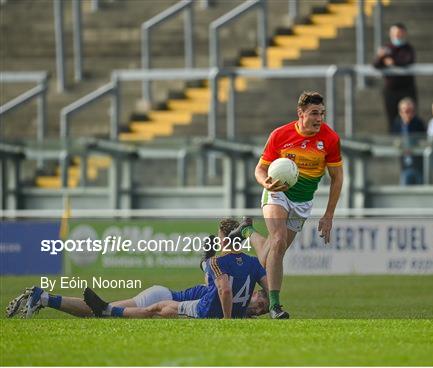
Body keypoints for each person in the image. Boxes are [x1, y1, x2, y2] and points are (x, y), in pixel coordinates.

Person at [6, 220, 269, 319]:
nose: (258, 306)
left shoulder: (219, 268)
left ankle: (43, 298)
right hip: (161, 296)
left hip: (169, 297)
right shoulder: (226, 268)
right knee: (97, 312)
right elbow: (220, 287)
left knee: (99, 312)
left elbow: (217, 284)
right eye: (260, 303)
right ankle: (42, 297)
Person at [230, 91, 343, 319]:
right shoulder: (280, 135)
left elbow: (337, 178)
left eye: (322, 113)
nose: (319, 118)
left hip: (303, 203)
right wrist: (266, 183)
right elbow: (260, 169)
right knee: (278, 240)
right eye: (314, 113)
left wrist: (329, 214)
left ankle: (247, 231)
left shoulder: (330, 139)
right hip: (277, 194)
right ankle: (275, 306)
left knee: (272, 252)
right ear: (300, 113)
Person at [373, 23, 417, 132]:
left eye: (399, 33)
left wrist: (393, 62)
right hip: (391, 90)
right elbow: (376, 64)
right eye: (395, 33)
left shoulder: (408, 48)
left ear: (404, 33)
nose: (397, 35)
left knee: (410, 117)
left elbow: (407, 61)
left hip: (407, 89)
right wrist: (380, 57)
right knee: (392, 119)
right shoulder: (386, 48)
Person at [391, 98, 426, 185]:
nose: (408, 114)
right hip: (404, 161)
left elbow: (423, 139)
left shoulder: (418, 123)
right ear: (400, 112)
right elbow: (394, 139)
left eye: (410, 111)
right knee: (405, 180)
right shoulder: (397, 124)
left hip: (418, 161)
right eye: (405, 111)